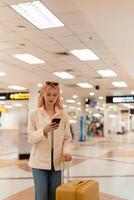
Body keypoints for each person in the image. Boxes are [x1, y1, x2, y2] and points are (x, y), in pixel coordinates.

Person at [27, 81, 72, 200]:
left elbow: (67, 138)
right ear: (42, 95)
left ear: (58, 96)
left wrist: (66, 152)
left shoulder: (63, 115)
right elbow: (30, 137)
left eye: (54, 95)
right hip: (39, 164)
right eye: (48, 94)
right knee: (41, 196)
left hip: (57, 164)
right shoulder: (34, 114)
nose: (52, 98)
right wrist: (44, 131)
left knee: (55, 196)